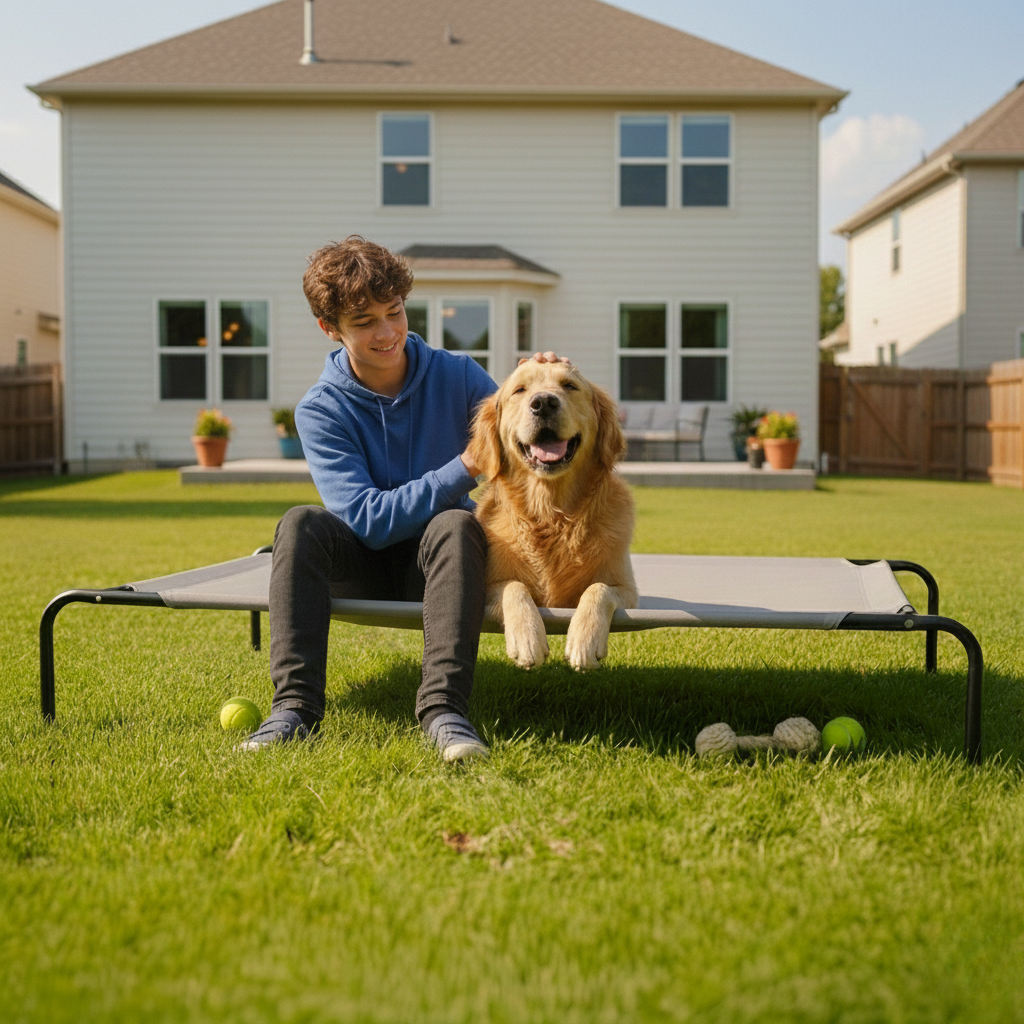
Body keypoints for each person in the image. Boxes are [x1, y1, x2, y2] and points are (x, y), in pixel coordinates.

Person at [240, 236, 562, 761]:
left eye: (394, 312)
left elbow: (520, 432)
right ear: (330, 328)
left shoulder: (457, 375)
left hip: (442, 564)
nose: (387, 332)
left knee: (457, 525)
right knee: (300, 523)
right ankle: (294, 711)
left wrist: (537, 378)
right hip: (362, 562)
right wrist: (463, 467)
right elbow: (366, 520)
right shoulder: (320, 410)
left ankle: (445, 713)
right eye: (364, 322)